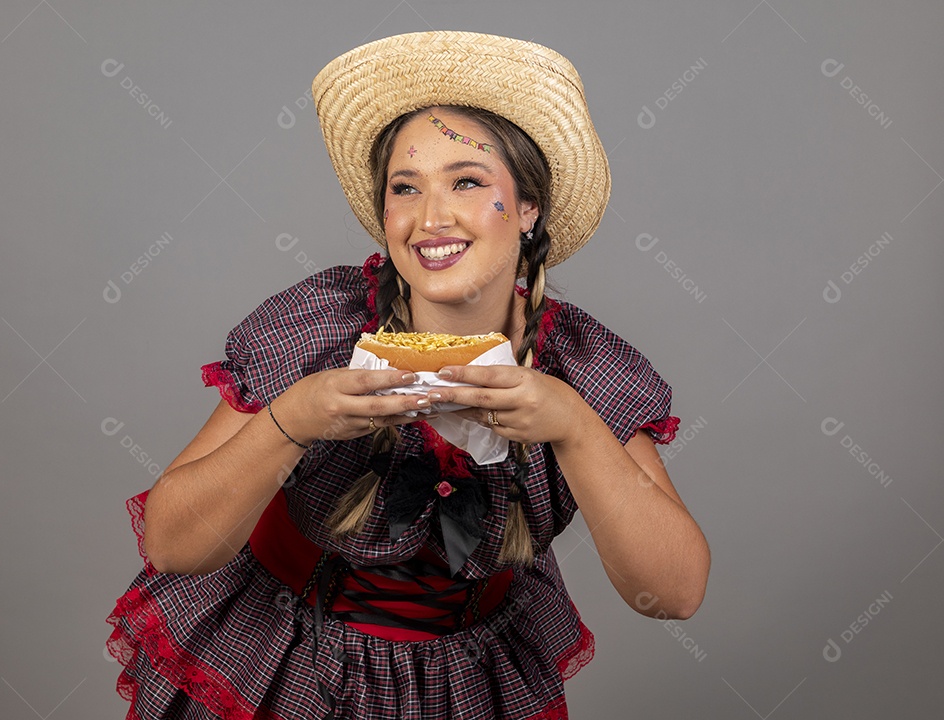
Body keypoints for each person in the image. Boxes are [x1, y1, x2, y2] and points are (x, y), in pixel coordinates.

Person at [106, 30, 710, 720]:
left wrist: (572, 426)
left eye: (467, 181)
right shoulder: (320, 326)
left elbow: (674, 594)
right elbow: (173, 545)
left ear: (529, 206)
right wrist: (293, 421)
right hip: (282, 668)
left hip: (470, 690)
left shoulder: (582, 367)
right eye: (405, 187)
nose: (430, 218)